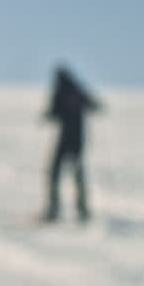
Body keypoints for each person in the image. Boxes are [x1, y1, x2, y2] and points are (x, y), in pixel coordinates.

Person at [44, 64, 101, 222]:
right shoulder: (77, 90)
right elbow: (95, 106)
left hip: (66, 140)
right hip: (77, 140)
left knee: (56, 174)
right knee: (77, 175)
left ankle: (55, 210)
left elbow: (52, 114)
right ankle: (82, 211)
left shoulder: (62, 92)